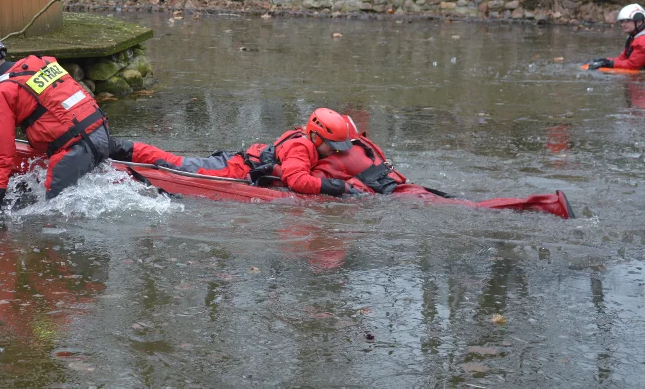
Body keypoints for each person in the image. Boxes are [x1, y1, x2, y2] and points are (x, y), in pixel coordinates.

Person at [111, 107, 572, 218]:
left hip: (250, 163)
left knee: (178, 162)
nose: (339, 154)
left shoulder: (325, 142)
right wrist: (331, 189)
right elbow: (294, 180)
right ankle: (122, 150)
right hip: (233, 170)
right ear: (319, 138)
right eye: (335, 148)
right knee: (175, 165)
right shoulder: (299, 149)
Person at [0, 36, 116, 212]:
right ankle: (156, 160)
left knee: (51, 215)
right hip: (101, 134)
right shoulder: (43, 63)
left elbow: (2, 157)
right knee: (128, 150)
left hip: (72, 154)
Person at [587, 4, 645, 71]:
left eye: (626, 21)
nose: (623, 25)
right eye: (622, 21)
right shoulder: (633, 37)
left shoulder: (642, 41)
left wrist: (609, 64)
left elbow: (632, 65)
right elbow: (622, 59)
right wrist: (604, 60)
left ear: (639, 21)